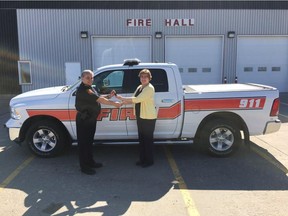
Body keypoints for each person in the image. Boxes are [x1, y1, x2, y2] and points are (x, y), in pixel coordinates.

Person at [75, 70, 121, 175]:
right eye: (87, 78)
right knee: (83, 144)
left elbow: (98, 98)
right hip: (84, 120)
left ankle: (90, 162)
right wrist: (115, 104)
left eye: (91, 78)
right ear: (82, 78)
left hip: (90, 119)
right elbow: (100, 100)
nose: (90, 80)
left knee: (89, 142)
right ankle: (84, 167)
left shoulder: (90, 88)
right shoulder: (84, 90)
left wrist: (109, 96)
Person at [116, 69, 157, 168]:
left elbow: (137, 99)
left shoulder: (149, 88)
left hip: (148, 118)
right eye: (142, 77)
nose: (143, 79)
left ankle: (149, 161)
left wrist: (121, 99)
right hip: (141, 116)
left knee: (147, 140)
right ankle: (142, 159)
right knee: (142, 139)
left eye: (145, 77)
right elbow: (133, 98)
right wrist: (123, 102)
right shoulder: (140, 87)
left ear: (149, 78)